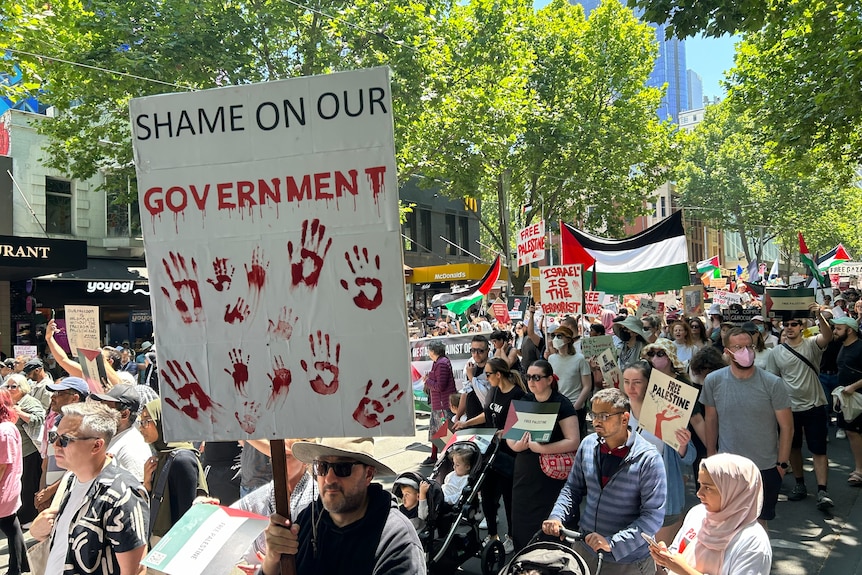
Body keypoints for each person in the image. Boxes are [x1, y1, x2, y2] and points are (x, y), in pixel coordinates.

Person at [543, 387, 667, 575]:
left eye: (604, 416)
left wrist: (613, 543)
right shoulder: (588, 444)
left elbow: (653, 517)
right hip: (585, 551)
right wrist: (557, 515)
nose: (596, 421)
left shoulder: (649, 459)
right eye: (594, 414)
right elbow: (572, 488)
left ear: (625, 418)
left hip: (628, 563)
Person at [260, 437, 425, 574]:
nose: (329, 479)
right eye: (322, 466)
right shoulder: (306, 520)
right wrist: (272, 560)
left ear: (368, 474)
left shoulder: (396, 540)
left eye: (343, 468)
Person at [29, 402, 149, 575]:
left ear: (96, 446)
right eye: (55, 436)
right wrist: (38, 530)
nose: (55, 445)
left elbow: (136, 571)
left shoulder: (122, 494)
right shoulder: (72, 479)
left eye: (65, 440)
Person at [702, 327, 793, 525]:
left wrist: (782, 464)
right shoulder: (713, 381)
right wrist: (711, 454)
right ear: (727, 352)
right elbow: (711, 420)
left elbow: (787, 426)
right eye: (738, 347)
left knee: (759, 525)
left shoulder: (773, 383)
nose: (746, 351)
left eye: (749, 346)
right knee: (725, 522)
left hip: (765, 468)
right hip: (727, 468)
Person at [650, 453, 772, 575]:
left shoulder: (752, 542)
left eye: (708, 488)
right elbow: (678, 552)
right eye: (700, 484)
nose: (699, 493)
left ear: (733, 491)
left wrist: (684, 571)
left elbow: (680, 566)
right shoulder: (698, 514)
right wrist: (666, 558)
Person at [766, 304, 834, 510]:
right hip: (789, 408)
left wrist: (819, 316)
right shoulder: (775, 352)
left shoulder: (812, 344)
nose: (789, 327)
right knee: (793, 448)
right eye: (785, 324)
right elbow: (773, 381)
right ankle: (799, 484)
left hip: (814, 405)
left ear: (802, 326)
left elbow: (828, 336)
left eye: (794, 324)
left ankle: (822, 490)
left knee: (818, 449)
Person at [508, 360, 580, 551]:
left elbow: (573, 440)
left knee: (551, 518)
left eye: (536, 377)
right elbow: (510, 436)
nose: (531, 381)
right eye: (529, 377)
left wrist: (542, 449)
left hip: (552, 476)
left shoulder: (562, 403)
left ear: (549, 379)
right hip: (525, 472)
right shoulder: (524, 401)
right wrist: (517, 446)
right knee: (522, 518)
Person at [622, 361, 694, 545]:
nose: (631, 387)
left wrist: (682, 445)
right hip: (627, 498)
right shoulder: (618, 413)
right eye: (626, 381)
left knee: (659, 559)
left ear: (649, 383)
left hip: (663, 498)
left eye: (637, 382)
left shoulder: (667, 412)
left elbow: (690, 457)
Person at [460, 357, 525, 552]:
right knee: (487, 494)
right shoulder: (493, 391)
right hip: (490, 451)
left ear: (499, 374)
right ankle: (492, 534)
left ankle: (512, 536)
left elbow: (520, 425)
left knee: (509, 497)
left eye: (488, 374)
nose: (486, 378)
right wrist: (466, 423)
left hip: (509, 453)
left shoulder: (517, 395)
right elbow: (487, 415)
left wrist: (502, 433)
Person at [230, 438, 318, 568]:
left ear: (304, 460)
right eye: (274, 456)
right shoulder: (259, 497)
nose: (279, 461)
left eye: (287, 456)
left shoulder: (317, 498)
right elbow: (230, 523)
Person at [140, 398, 208, 542]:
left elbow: (187, 516)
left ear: (163, 422)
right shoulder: (163, 455)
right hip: (159, 539)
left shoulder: (182, 459)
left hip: (173, 543)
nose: (142, 428)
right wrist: (147, 484)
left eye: (147, 421)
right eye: (141, 422)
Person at [2, 373, 46, 526]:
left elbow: (40, 419)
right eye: (8, 385)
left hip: (28, 450)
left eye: (14, 386)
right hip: (13, 452)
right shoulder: (8, 400)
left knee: (27, 485)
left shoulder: (29, 401)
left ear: (22, 388)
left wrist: (20, 413)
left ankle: (28, 517)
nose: (10, 388)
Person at [89, 384, 151, 482]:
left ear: (124, 414)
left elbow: (137, 491)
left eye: (106, 409)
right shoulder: (111, 436)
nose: (99, 413)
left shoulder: (132, 449)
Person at [831, 317, 862, 485]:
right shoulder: (843, 346)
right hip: (847, 399)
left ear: (849, 330)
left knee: (854, 432)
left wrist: (854, 386)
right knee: (851, 432)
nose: (835, 331)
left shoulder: (860, 347)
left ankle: (859, 471)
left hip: (857, 397)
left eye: (838, 328)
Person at [0, 389, 27, 575]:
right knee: (11, 526)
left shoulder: (4, 430)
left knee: (10, 526)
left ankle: (17, 567)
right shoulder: (7, 427)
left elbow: (1, 465)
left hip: (4, 487)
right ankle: (20, 565)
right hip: (8, 486)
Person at [548, 325, 592, 439]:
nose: (555, 339)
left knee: (576, 438)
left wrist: (576, 405)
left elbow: (587, 386)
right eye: (554, 336)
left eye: (559, 336)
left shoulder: (580, 359)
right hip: (557, 405)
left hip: (575, 405)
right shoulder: (551, 359)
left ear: (568, 339)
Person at [422, 340, 457, 465]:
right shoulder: (439, 362)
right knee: (436, 431)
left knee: (443, 432)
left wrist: (427, 381)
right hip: (439, 403)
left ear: (433, 351)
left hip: (443, 404)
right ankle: (435, 457)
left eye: (429, 350)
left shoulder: (441, 364)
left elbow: (440, 386)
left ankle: (446, 459)